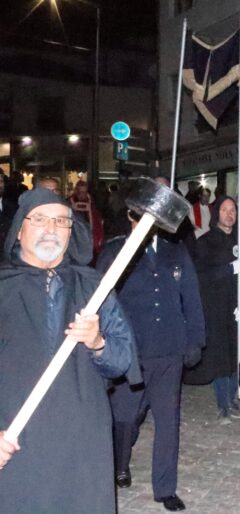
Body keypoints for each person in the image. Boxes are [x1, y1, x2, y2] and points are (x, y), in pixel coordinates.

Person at [0, 188, 134, 513]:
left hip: (82, 440)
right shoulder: (3, 288)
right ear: (20, 228)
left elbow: (122, 361)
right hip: (17, 439)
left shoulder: (93, 287)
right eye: (41, 220)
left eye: (61, 221)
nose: (51, 229)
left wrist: (98, 342)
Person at [97, 203, 205, 512]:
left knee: (168, 422)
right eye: (143, 216)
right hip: (131, 353)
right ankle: (120, 462)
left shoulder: (175, 251)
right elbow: (100, 301)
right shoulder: (116, 252)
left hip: (169, 350)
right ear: (131, 216)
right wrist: (104, 344)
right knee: (125, 418)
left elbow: (192, 298)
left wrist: (195, 339)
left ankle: (165, 488)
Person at [184, 196, 240, 424]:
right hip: (217, 306)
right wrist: (227, 270)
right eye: (225, 209)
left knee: (236, 353)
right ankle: (223, 404)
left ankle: (232, 398)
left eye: (233, 210)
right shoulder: (206, 242)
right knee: (221, 355)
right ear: (216, 213)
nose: (229, 214)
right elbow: (201, 276)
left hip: (237, 306)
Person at [69, 179, 105, 257]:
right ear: (76, 191)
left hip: (90, 237)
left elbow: (97, 220)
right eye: (80, 192)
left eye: (84, 192)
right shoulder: (69, 202)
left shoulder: (92, 203)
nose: (82, 195)